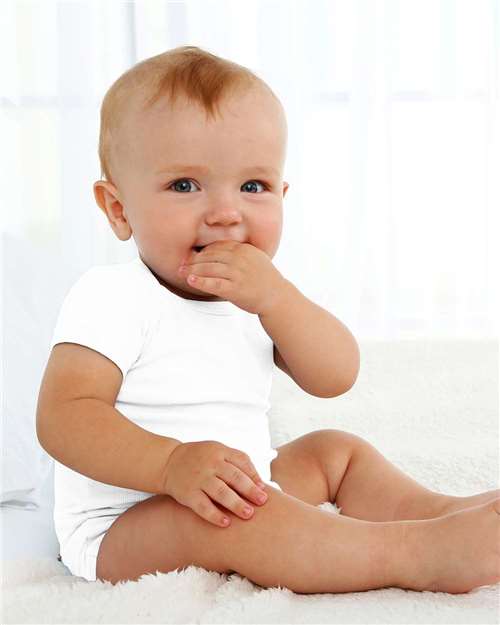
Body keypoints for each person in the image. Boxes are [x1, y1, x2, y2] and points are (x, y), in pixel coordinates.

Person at [36, 45, 500, 594]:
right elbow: (65, 417)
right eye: (184, 185)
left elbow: (335, 375)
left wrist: (277, 299)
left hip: (241, 483)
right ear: (118, 209)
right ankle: (413, 554)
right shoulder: (113, 295)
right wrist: (171, 465)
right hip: (126, 524)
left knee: (334, 452)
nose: (225, 213)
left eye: (252, 187)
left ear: (282, 193)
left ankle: (438, 514)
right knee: (231, 519)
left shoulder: (256, 296)